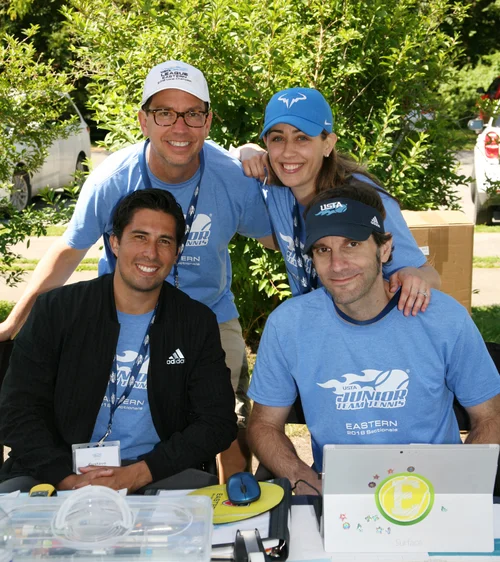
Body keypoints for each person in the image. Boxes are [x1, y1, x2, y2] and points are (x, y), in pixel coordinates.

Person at [0, 61, 274, 479]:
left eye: (192, 114)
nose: (179, 127)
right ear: (144, 120)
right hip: (123, 311)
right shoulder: (112, 179)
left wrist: (274, 168)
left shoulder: (232, 177)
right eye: (164, 113)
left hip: (208, 315)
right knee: (101, 407)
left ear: (207, 122)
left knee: (230, 427)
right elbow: (69, 249)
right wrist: (13, 323)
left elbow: (280, 238)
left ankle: (228, 503)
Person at [247, 180, 500, 495]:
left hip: (434, 491)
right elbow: (264, 424)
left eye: (352, 244)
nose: (337, 265)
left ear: (385, 248)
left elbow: (491, 416)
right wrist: (300, 476)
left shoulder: (443, 318)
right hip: (341, 495)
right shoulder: (288, 325)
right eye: (323, 249)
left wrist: (459, 486)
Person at [0, 188, 237, 493]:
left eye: (164, 241)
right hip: (57, 472)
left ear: (177, 253)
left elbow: (217, 421)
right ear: (114, 243)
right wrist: (68, 480)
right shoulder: (57, 311)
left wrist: (136, 475)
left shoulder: (194, 323)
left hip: (154, 474)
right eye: (140, 237)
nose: (151, 253)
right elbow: (17, 409)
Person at [234, 87, 441, 315]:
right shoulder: (275, 188)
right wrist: (245, 151)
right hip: (318, 324)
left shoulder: (363, 200)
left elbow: (430, 276)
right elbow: (277, 239)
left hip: (371, 326)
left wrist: (415, 277)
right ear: (266, 143)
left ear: (328, 144)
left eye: (302, 138)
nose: (288, 152)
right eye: (277, 138)